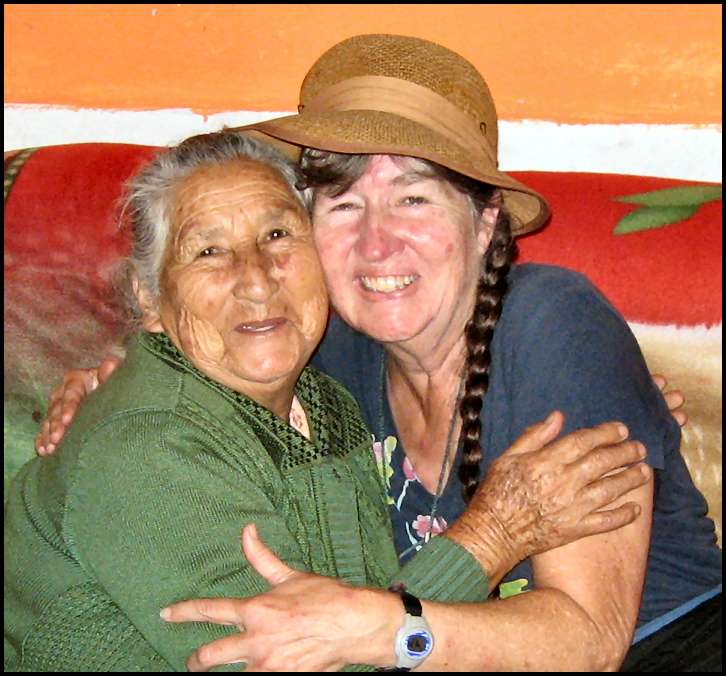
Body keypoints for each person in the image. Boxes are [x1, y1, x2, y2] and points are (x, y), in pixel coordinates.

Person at [32, 34, 721, 672]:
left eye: (414, 198)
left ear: (485, 225)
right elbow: (208, 338)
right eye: (342, 206)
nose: (377, 243)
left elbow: (590, 642)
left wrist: (388, 628)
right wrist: (112, 374)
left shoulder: (552, 324)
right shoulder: (322, 347)